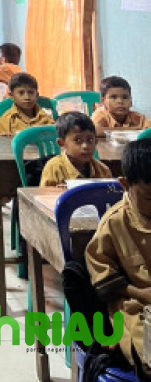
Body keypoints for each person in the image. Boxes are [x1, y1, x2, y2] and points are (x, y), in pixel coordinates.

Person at [86, 138, 151, 372]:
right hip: (135, 306)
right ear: (125, 185)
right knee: (147, 350)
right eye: (150, 198)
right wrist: (140, 293)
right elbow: (104, 277)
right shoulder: (115, 223)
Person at [40, 111, 113, 187]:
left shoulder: (103, 171)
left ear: (96, 142)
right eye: (78, 140)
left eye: (90, 140)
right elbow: (44, 197)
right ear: (61, 143)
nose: (85, 146)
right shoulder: (54, 168)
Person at [0, 71, 54, 136]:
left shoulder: (46, 119)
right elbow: (0, 143)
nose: (27, 97)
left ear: (37, 95)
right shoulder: (6, 120)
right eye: (21, 93)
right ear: (11, 96)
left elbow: (54, 140)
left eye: (31, 92)